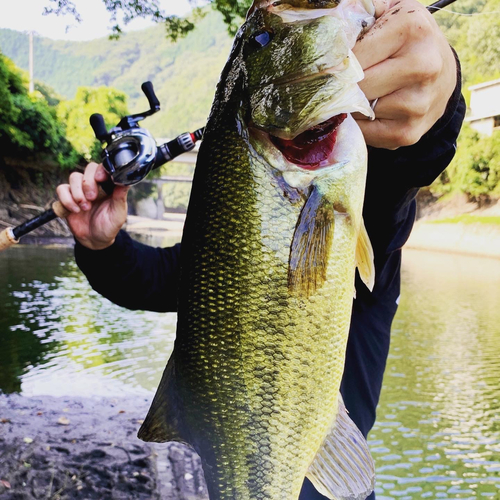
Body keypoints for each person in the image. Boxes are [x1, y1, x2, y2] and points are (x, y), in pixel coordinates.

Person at [56, 0, 466, 498]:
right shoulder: (233, 238)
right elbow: (160, 279)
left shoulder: (364, 204)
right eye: (263, 40)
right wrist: (103, 246)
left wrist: (441, 96)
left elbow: (402, 169)